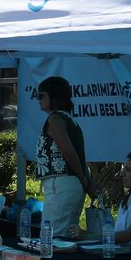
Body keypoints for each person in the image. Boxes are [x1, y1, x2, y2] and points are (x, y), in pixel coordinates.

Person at [34, 76, 90, 239]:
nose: (38, 99)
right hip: (66, 185)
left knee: (55, 240)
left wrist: (82, 177)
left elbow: (69, 152)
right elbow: (79, 156)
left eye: (42, 95)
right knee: (59, 238)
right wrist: (85, 179)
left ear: (54, 97)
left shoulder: (55, 119)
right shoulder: (71, 121)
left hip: (63, 184)